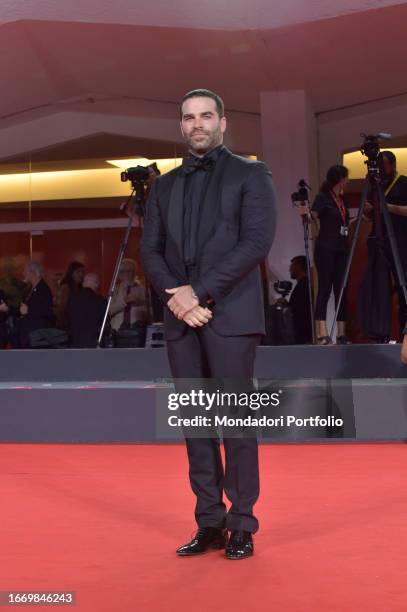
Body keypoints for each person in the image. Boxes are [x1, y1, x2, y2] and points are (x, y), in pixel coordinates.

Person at [140, 88, 277, 560]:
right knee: (197, 425)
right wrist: (178, 299)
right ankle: (209, 521)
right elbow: (150, 253)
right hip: (181, 318)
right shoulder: (164, 185)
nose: (197, 124)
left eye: (206, 115)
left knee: (236, 423)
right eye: (188, 117)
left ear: (223, 122)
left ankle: (242, 522)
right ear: (181, 126)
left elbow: (256, 242)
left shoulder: (251, 174)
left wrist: (198, 292)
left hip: (231, 316)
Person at [312, 165, 350, 345]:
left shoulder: (342, 199)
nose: (348, 181)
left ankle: (342, 333)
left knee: (341, 289)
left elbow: (344, 222)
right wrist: (307, 216)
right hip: (326, 248)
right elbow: (312, 215)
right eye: (346, 177)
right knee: (325, 289)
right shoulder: (322, 197)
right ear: (340, 179)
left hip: (341, 248)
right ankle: (321, 332)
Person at [379, 151, 407, 337]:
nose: (382, 170)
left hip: (402, 242)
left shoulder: (404, 182)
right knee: (381, 288)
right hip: (381, 242)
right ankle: (381, 331)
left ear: (393, 165)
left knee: (403, 286)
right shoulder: (378, 185)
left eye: (385, 166)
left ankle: (404, 331)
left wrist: (386, 207)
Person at [17, 262, 54, 348]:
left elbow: (47, 311)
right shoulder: (29, 289)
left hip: (37, 336)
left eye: (25, 271)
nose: (23, 273)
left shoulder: (43, 289)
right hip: (29, 335)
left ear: (32, 273)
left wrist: (28, 310)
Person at [66, 273, 107, 348]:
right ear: (96, 284)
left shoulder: (72, 299)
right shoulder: (100, 301)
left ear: (84, 284)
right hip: (93, 343)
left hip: (75, 343)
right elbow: (105, 323)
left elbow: (67, 320)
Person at [108, 258, 148, 330]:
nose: (128, 274)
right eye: (125, 271)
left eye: (131, 271)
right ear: (120, 273)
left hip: (138, 328)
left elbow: (150, 310)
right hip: (118, 329)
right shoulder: (115, 289)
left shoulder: (142, 289)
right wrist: (124, 302)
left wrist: (140, 305)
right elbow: (109, 311)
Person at [289, 255, 313, 344]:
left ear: (299, 267)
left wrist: (287, 306)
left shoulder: (303, 286)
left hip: (302, 335)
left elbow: (298, 310)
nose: (290, 269)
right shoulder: (303, 285)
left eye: (292, 266)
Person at [55, 261, 85, 329]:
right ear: (71, 273)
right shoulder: (65, 288)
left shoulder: (81, 288)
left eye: (83, 272)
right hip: (67, 326)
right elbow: (60, 309)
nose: (81, 274)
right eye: (78, 272)